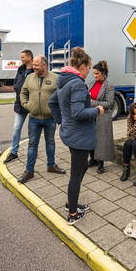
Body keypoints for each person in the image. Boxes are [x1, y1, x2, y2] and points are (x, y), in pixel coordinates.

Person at [49, 47, 104, 225]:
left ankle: (70, 203)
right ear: (81, 66)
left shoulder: (63, 81)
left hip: (71, 134)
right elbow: (79, 112)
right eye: (88, 67)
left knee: (80, 171)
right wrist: (97, 110)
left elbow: (52, 103)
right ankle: (72, 213)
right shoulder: (78, 83)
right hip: (80, 136)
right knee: (76, 174)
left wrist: (62, 121)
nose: (89, 71)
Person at [18, 55, 65, 183]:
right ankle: (29, 171)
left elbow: (62, 96)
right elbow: (23, 92)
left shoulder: (56, 78)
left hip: (50, 118)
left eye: (37, 65)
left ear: (44, 65)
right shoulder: (29, 77)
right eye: (33, 64)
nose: (34, 67)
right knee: (32, 144)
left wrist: (57, 111)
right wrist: (26, 105)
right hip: (34, 117)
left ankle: (51, 165)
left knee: (50, 142)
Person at [4, 50, 34, 163]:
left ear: (29, 57)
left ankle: (32, 152)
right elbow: (16, 82)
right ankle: (14, 152)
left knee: (32, 131)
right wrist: (17, 88)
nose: (21, 59)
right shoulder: (21, 69)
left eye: (23, 57)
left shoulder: (35, 69)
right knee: (16, 128)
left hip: (32, 105)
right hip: (19, 104)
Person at [88, 61, 115, 174]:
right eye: (94, 73)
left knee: (101, 140)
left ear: (103, 73)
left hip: (102, 116)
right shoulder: (91, 83)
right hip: (91, 114)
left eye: (97, 73)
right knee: (90, 138)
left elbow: (109, 103)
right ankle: (93, 159)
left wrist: (91, 102)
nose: (95, 76)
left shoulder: (109, 86)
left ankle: (101, 163)